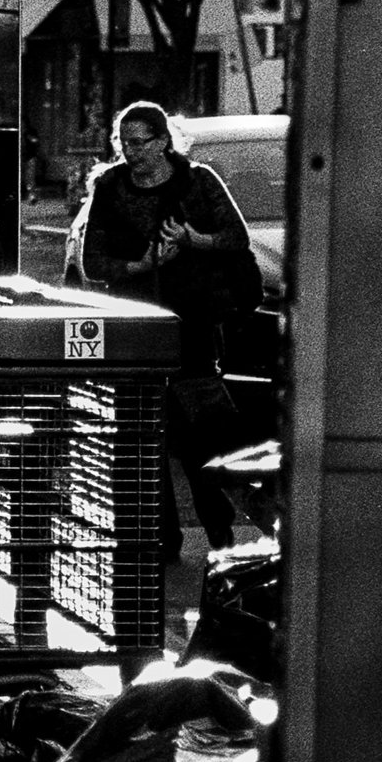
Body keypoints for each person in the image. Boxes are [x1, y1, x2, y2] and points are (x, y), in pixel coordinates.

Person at [74, 100, 252, 559]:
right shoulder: (111, 188)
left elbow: (237, 237)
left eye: (140, 142)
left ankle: (219, 527)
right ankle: (163, 538)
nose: (130, 152)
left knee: (202, 438)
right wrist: (142, 264)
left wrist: (194, 240)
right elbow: (92, 263)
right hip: (134, 325)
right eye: (123, 143)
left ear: (163, 140)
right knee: (142, 440)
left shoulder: (197, 181)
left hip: (192, 324)